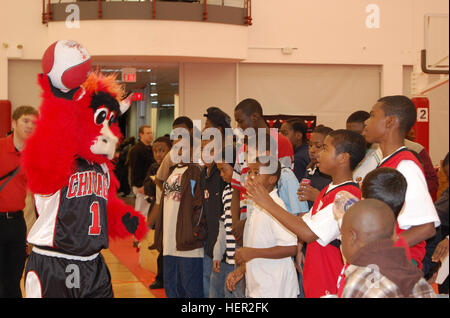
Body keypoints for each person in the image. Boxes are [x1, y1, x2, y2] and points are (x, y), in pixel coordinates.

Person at [245, 129, 366, 297]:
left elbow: (309, 232)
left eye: (325, 148)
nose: (317, 153)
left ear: (343, 158)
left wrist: (267, 202)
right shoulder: (327, 190)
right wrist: (300, 245)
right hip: (316, 278)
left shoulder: (347, 196)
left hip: (330, 281)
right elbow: (305, 222)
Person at [364, 95, 440, 269]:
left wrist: (381, 250)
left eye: (372, 115)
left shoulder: (405, 165)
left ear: (390, 121)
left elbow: (426, 227)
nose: (367, 122)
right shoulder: (386, 162)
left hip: (399, 264)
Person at [230, 98, 294, 297]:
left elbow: (281, 182)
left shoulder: (281, 143)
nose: (239, 127)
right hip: (250, 214)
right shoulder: (243, 147)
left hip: (273, 219)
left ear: (255, 116)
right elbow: (236, 187)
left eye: (241, 121)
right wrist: (237, 221)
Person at [226, 156, 299, 298]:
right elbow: (262, 245)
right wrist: (242, 269)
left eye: (257, 173)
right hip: (260, 285)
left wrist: (252, 253)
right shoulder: (257, 207)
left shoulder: (276, 206)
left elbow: (291, 248)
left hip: (276, 288)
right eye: (250, 172)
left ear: (272, 179)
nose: (251, 177)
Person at [340, 199, 436, 298]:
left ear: (352, 237)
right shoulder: (417, 280)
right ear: (394, 235)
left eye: (342, 235)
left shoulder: (361, 281)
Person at [151, 133, 205, 298]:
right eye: (175, 147)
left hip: (188, 246)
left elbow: (200, 206)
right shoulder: (172, 172)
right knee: (172, 290)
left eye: (183, 147)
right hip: (169, 245)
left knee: (191, 291)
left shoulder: (196, 172)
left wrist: (194, 233)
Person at [0, 105, 38, 298]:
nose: (30, 126)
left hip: (17, 223)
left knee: (14, 280)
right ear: (14, 122)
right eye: (25, 121)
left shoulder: (34, 157)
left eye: (34, 123)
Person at [142, 136, 172, 290]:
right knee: (161, 250)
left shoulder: (174, 171)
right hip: (161, 215)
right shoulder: (155, 169)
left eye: (162, 150)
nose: (159, 154)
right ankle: (161, 278)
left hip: (172, 218)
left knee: (166, 252)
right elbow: (155, 199)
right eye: (155, 151)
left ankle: (165, 279)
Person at [212, 146, 237, 298]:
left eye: (224, 169)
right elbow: (223, 225)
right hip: (227, 259)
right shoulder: (226, 191)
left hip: (239, 261)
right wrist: (217, 253)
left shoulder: (244, 193)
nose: (221, 175)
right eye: (219, 170)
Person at [297, 125, 333, 210]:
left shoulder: (331, 174)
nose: (312, 150)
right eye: (310, 145)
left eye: (318, 146)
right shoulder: (310, 168)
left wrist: (318, 197)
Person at [346, 110, 382, 184]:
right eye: (349, 133)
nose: (353, 138)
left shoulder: (379, 155)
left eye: (357, 133)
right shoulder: (346, 151)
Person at [127, 125, 155, 216]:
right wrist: (139, 186)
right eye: (148, 133)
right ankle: (137, 229)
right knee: (141, 213)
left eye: (151, 133)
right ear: (141, 135)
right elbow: (135, 170)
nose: (150, 135)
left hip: (148, 184)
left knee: (147, 212)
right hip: (141, 186)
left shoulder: (151, 149)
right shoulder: (137, 150)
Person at [404, 134, 439, 201]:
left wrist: (416, 195)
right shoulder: (379, 149)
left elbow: (432, 180)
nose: (414, 136)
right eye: (411, 133)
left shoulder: (417, 149)